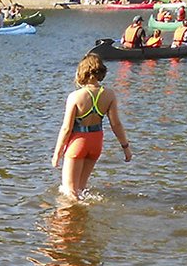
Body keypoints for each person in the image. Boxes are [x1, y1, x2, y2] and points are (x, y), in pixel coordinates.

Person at [52, 53, 132, 199]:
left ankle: (67, 219)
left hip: (78, 141)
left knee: (68, 191)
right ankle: (83, 218)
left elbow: (66, 128)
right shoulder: (109, 95)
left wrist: (57, 153)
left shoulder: (76, 96)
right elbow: (116, 124)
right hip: (96, 142)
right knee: (81, 189)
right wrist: (126, 148)